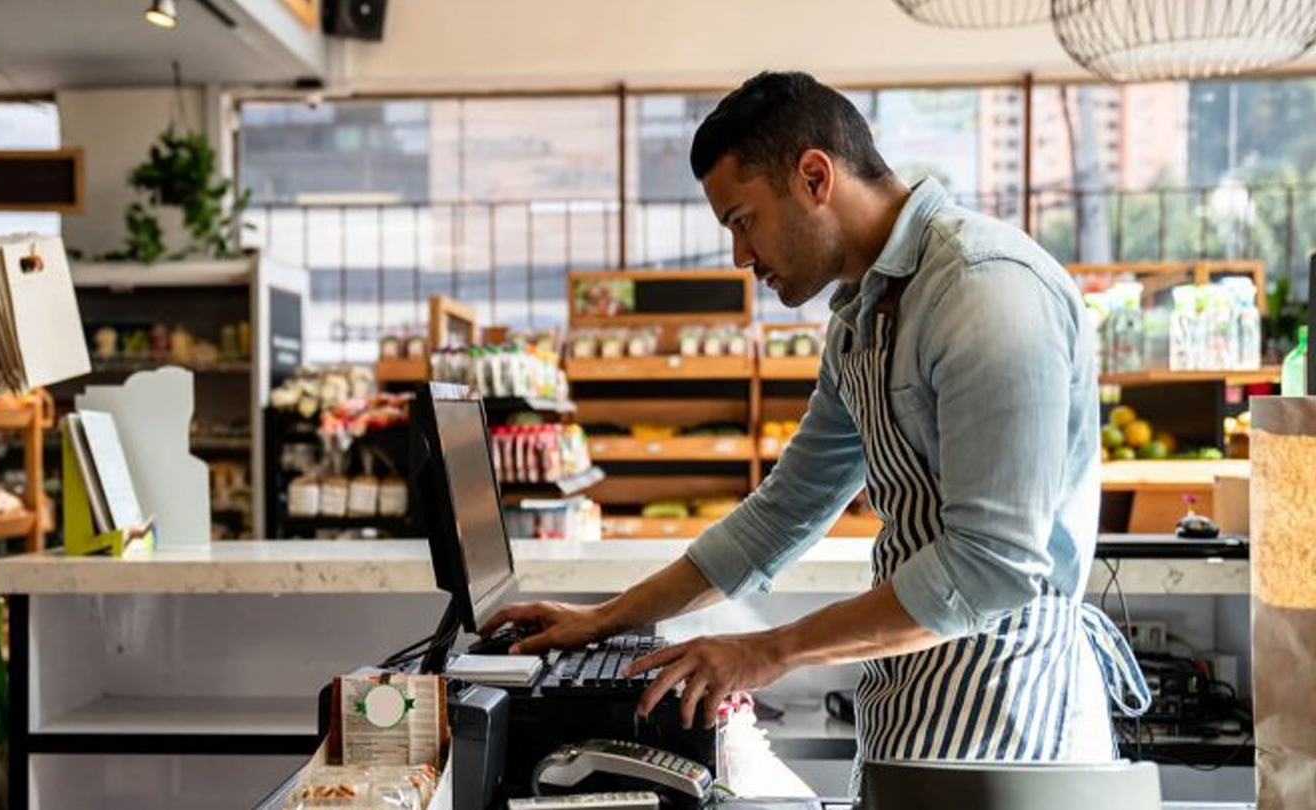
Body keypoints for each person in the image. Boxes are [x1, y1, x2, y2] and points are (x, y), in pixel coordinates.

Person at [483, 71, 1148, 791]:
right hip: (912, 708)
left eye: (743, 220)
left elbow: (991, 566)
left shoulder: (983, 289)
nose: (741, 256)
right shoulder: (861, 318)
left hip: (1010, 734)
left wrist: (768, 652)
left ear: (813, 176)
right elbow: (784, 513)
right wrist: (605, 620)